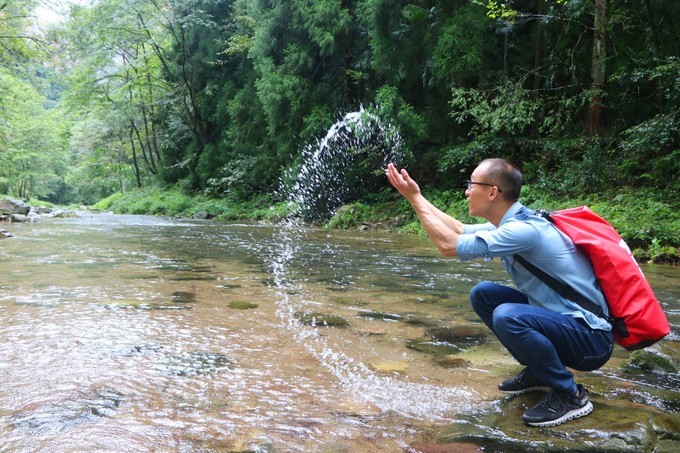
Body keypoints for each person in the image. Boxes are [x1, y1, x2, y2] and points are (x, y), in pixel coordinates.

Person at [385, 158, 614, 427]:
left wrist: (414, 201)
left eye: (472, 184)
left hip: (591, 338)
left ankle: (571, 395)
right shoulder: (511, 223)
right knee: (483, 294)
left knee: (508, 316)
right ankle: (541, 372)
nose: (467, 191)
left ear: (492, 192)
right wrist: (417, 196)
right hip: (567, 324)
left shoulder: (524, 231)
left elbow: (448, 246)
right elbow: (458, 230)